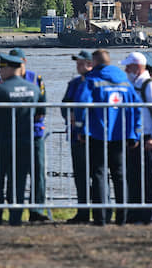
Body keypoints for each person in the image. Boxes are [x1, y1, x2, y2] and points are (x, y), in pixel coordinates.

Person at [75, 49, 142, 225]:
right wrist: (135, 132)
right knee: (120, 176)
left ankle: (101, 217)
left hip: (97, 133)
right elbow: (136, 107)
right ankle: (123, 217)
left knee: (99, 175)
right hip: (120, 134)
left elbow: (81, 105)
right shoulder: (124, 80)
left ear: (95, 62)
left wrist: (80, 130)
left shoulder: (91, 79)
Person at [0, 52, 41, 226]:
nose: (0, 72)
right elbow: (40, 113)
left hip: (3, 140)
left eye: (1, 68)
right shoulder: (34, 88)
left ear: (9, 68)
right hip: (25, 141)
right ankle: (16, 217)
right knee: (19, 181)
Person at [122, 51, 152, 224]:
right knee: (135, 178)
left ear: (137, 67)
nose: (125, 69)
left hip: (149, 138)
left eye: (128, 66)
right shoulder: (133, 85)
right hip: (136, 137)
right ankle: (138, 216)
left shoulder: (150, 86)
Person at [8, 48, 49, 222]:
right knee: (15, 175)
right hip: (14, 135)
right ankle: (14, 212)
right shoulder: (4, 80)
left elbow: (42, 109)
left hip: (34, 134)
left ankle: (36, 211)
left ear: (24, 62)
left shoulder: (35, 79)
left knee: (38, 174)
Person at [61, 50, 94, 224]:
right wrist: (70, 115)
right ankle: (83, 212)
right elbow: (63, 105)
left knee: (97, 176)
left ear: (91, 63)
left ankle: (99, 211)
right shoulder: (74, 83)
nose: (78, 66)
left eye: (82, 62)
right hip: (76, 137)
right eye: (77, 63)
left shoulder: (96, 82)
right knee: (80, 177)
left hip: (95, 138)